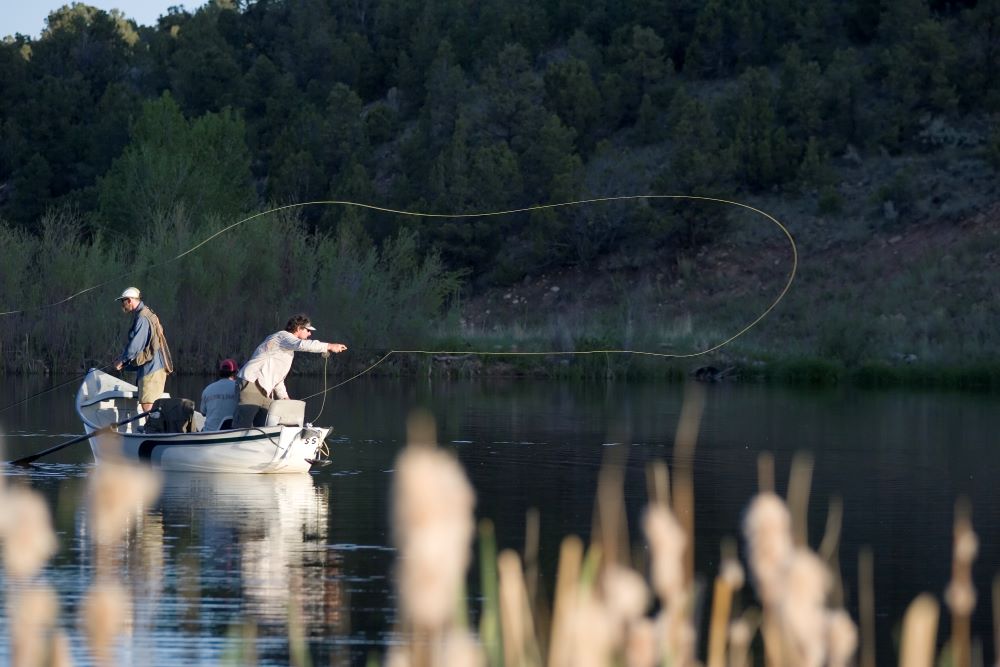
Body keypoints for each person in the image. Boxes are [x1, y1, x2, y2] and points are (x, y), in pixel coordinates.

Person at [237, 314, 347, 416]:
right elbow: (302, 345)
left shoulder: (287, 349)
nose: (310, 334)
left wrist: (284, 397)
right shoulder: (282, 337)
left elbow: (277, 377)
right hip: (252, 382)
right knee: (244, 425)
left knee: (265, 424)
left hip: (264, 389)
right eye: (308, 330)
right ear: (298, 328)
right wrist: (330, 346)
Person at [113, 287, 173, 412]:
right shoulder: (146, 313)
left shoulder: (142, 317)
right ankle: (151, 424)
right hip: (152, 367)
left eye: (123, 301)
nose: (122, 305)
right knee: (148, 405)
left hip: (152, 369)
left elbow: (136, 345)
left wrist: (122, 360)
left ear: (130, 300)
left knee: (147, 405)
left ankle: (151, 425)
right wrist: (124, 360)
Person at [200, 358, 240, 430]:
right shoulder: (240, 388)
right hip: (233, 432)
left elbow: (203, 413)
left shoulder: (207, 389)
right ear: (236, 372)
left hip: (210, 433)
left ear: (220, 372)